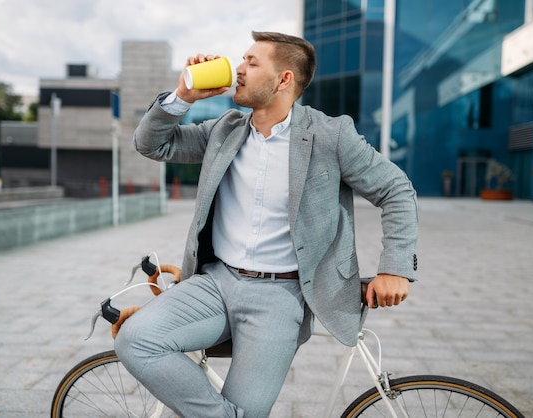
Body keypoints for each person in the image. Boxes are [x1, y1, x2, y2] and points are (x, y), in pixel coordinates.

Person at [115, 31, 418, 418]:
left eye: (252, 63)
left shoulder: (331, 135)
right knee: (135, 339)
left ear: (285, 79)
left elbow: (397, 190)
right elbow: (151, 144)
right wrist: (183, 98)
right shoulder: (224, 130)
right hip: (215, 283)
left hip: (281, 297)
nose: (238, 69)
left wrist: (395, 269)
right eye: (242, 60)